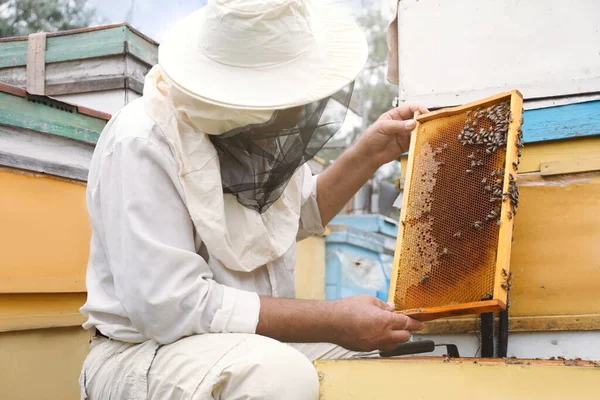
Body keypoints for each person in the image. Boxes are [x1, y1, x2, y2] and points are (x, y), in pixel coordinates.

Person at [78, 0, 428, 398]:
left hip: (248, 343)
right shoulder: (141, 142)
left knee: (392, 366)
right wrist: (333, 319)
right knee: (278, 377)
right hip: (143, 353)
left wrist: (370, 153)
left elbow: (296, 215)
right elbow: (172, 306)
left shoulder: (256, 131)